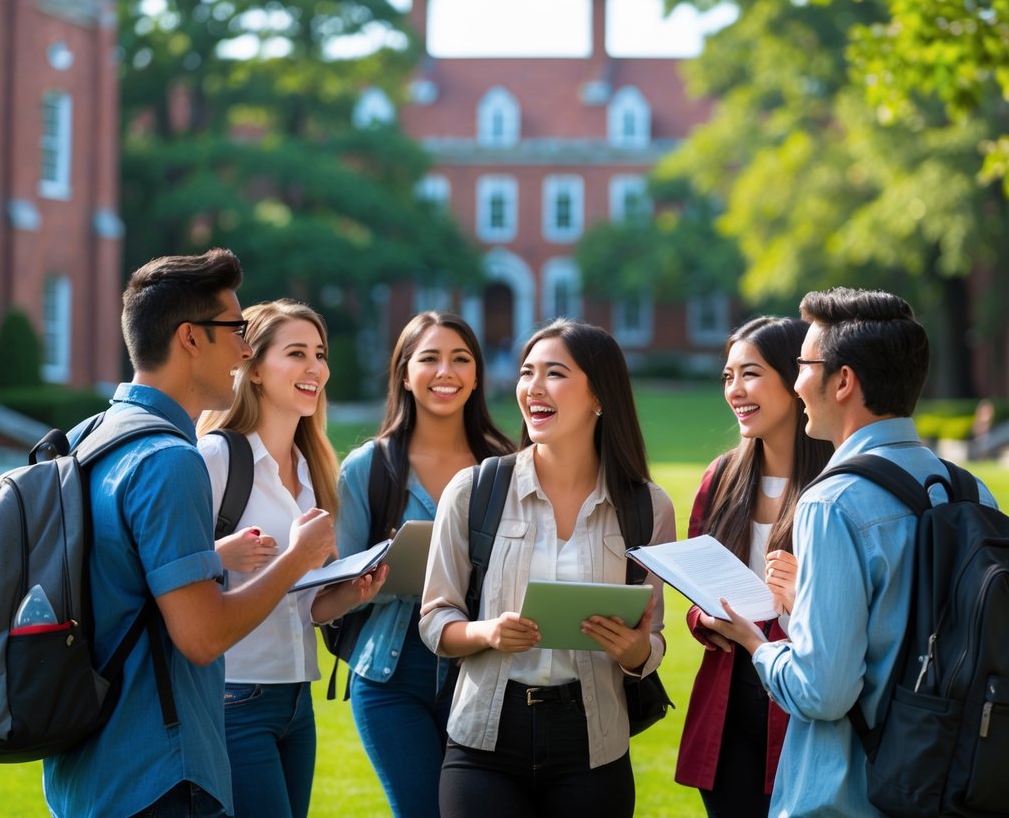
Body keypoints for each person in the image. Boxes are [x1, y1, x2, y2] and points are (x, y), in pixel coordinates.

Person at [42, 249, 339, 818]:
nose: (245, 347)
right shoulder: (171, 460)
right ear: (190, 339)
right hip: (159, 773)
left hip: (86, 768)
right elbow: (202, 636)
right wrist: (298, 557)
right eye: (234, 330)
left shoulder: (88, 437)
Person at [709, 288, 996, 817]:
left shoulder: (830, 503)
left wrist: (756, 644)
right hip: (949, 779)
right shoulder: (971, 491)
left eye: (802, 366)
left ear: (843, 381)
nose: (796, 385)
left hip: (848, 794)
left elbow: (823, 693)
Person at [420, 319, 677, 818]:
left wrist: (636, 649)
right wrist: (486, 633)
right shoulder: (473, 491)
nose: (532, 388)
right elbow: (434, 621)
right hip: (484, 740)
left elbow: (654, 642)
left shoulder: (647, 507)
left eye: (554, 373)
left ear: (599, 395)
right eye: (525, 373)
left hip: (593, 744)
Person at [197, 299, 386, 818]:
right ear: (253, 368)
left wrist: (347, 593)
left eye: (320, 354)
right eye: (297, 353)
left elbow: (304, 608)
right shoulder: (216, 457)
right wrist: (219, 553)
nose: (316, 369)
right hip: (234, 697)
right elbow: (165, 569)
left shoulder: (311, 469)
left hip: (296, 699)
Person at [334, 311, 516, 818]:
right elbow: (331, 596)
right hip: (391, 678)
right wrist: (376, 575)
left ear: (477, 375)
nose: (446, 372)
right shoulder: (367, 469)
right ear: (405, 373)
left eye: (461, 359)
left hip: (480, 672)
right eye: (430, 358)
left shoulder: (506, 466)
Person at [675, 317, 833, 817]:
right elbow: (695, 584)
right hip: (728, 706)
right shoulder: (721, 478)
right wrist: (707, 620)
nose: (735, 390)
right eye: (728, 376)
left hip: (803, 704)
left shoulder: (835, 484)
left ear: (794, 378)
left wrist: (798, 599)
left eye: (751, 373)